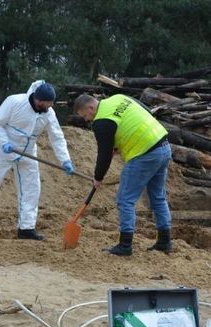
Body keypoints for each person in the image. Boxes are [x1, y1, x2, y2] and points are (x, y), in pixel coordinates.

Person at [0, 80, 75, 240]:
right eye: (48, 104)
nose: (50, 107)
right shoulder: (14, 102)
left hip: (28, 153)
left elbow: (57, 137)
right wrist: (4, 143)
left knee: (31, 189)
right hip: (5, 150)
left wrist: (65, 160)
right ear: (38, 100)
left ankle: (26, 228)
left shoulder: (49, 113)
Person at [73, 93, 172, 256]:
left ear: (91, 108)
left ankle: (125, 245)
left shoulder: (101, 122)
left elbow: (104, 154)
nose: (86, 120)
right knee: (158, 197)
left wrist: (98, 177)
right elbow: (147, 110)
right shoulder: (118, 98)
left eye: (85, 115)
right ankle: (164, 242)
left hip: (143, 153)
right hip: (163, 145)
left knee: (125, 199)